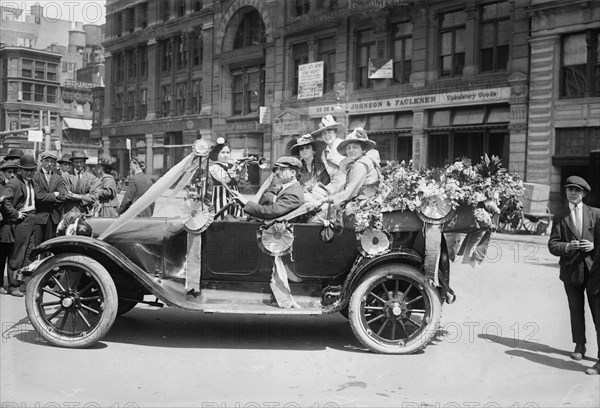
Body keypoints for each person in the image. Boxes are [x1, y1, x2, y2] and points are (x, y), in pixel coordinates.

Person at [548, 175, 600, 375]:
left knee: (598, 314)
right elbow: (553, 244)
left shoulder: (596, 213)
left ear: (584, 193)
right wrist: (567, 246)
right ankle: (579, 345)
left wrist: (594, 246)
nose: (573, 193)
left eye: (577, 190)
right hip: (571, 271)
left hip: (595, 271)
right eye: (570, 189)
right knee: (575, 309)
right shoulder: (560, 215)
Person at [307, 128, 380, 219]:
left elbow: (347, 193)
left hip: (360, 207)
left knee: (313, 220)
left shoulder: (360, 165)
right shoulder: (357, 163)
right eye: (348, 148)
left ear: (363, 150)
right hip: (354, 202)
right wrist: (325, 198)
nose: (351, 150)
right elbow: (344, 187)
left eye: (355, 147)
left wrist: (323, 200)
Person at [3, 155, 39, 297]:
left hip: (31, 219)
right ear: (20, 169)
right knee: (17, 255)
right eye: (26, 170)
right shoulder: (14, 183)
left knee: (30, 254)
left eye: (31, 170)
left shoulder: (31, 182)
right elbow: (5, 201)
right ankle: (14, 286)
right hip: (21, 222)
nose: (29, 172)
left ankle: (25, 283)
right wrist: (15, 214)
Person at [232, 156, 304, 220]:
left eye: (282, 169)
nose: (277, 172)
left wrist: (246, 202)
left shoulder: (294, 193)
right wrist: (243, 202)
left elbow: (270, 212)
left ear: (293, 173)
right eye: (277, 169)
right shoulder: (286, 188)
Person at [33, 151, 67, 245]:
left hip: (53, 217)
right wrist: (54, 195)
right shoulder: (36, 177)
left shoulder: (57, 177)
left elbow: (62, 196)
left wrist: (47, 197)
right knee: (36, 244)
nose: (49, 164)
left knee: (49, 245)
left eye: (52, 162)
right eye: (47, 161)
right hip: (39, 216)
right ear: (41, 162)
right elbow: (38, 197)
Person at [208, 138, 244, 218]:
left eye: (228, 152)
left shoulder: (232, 166)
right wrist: (235, 167)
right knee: (222, 218)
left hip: (235, 195)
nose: (225, 155)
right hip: (221, 196)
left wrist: (242, 169)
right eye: (222, 152)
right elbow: (224, 180)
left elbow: (239, 180)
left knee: (237, 218)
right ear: (216, 153)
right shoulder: (213, 167)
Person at [311, 115, 347, 194]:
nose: (327, 136)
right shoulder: (324, 154)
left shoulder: (344, 146)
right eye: (324, 133)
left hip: (348, 186)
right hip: (334, 187)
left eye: (330, 132)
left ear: (335, 133)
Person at [0, 159, 18, 295]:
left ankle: (13, 284)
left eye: (14, 172)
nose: (12, 175)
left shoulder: (15, 186)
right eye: (9, 172)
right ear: (3, 173)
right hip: (3, 226)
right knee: (1, 257)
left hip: (13, 225)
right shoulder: (1, 186)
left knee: (12, 257)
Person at [63, 150, 100, 215]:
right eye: (76, 162)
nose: (79, 164)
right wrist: (86, 196)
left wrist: (77, 196)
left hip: (84, 212)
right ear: (72, 163)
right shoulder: (66, 176)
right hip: (68, 211)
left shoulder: (91, 178)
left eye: (81, 162)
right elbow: (66, 194)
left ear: (84, 162)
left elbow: (93, 198)